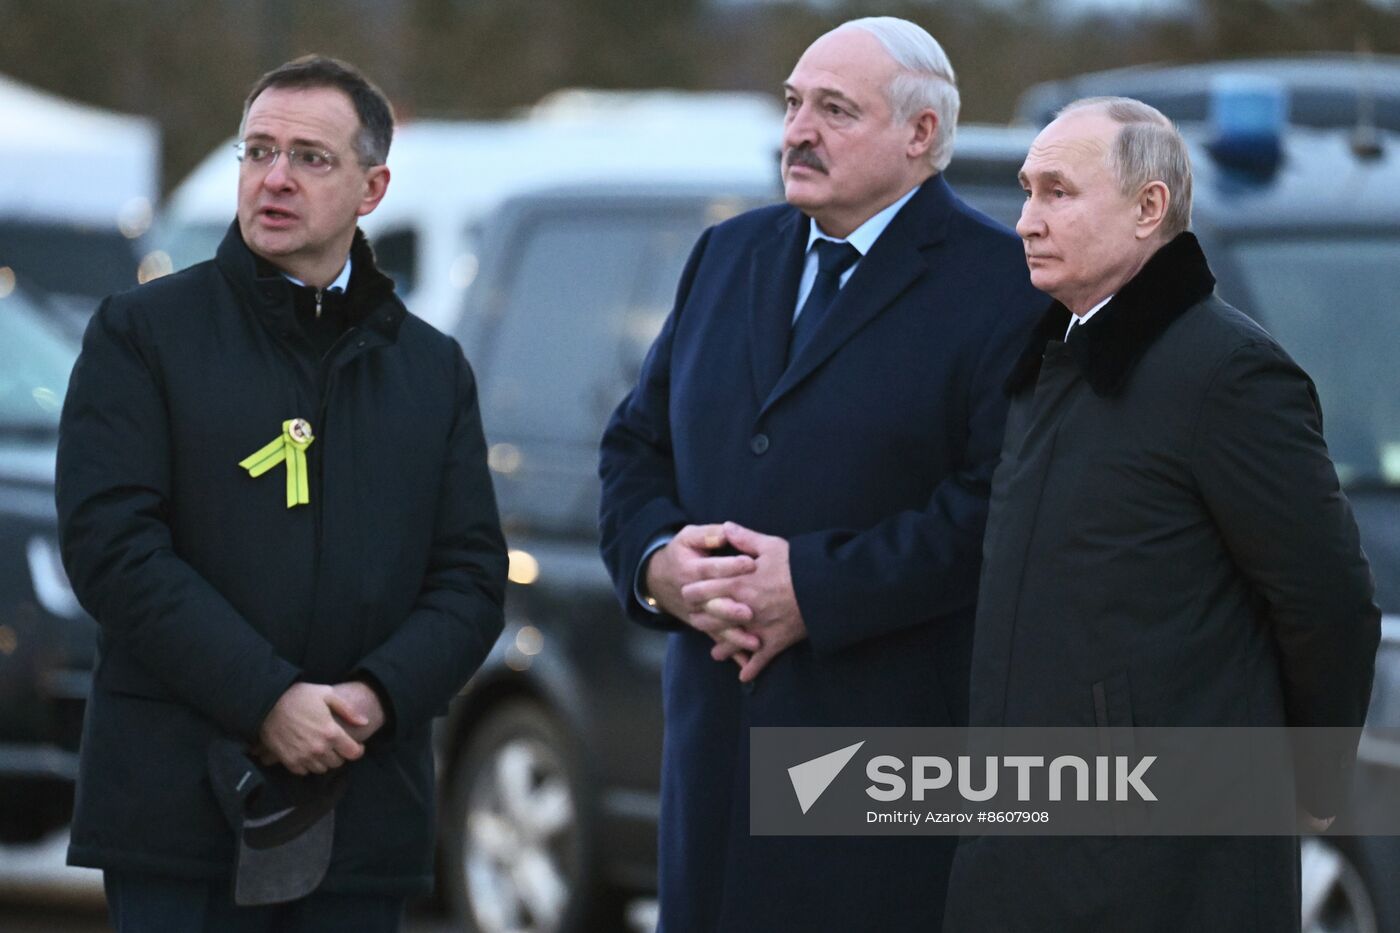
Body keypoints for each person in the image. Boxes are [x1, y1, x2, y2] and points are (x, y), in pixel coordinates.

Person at [597, 17, 1044, 932]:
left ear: (921, 135)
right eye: (794, 103)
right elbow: (635, 447)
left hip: (880, 773)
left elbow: (999, 505)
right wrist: (655, 564)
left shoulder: (1003, 284)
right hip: (712, 765)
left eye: (835, 110)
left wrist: (813, 587)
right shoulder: (729, 255)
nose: (798, 130)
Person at [56, 56, 507, 931]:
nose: (273, 177)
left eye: (310, 158)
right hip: (178, 814)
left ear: (372, 188)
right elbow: (113, 546)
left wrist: (371, 697)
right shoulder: (143, 335)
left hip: (362, 810)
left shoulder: (430, 370)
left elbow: (470, 577)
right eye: (257, 150)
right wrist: (266, 696)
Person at [942, 97, 1380, 931]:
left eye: (1059, 193)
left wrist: (1312, 787)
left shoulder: (1229, 373)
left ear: (1149, 208)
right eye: (1027, 192)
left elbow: (1327, 600)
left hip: (1160, 869)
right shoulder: (1050, 363)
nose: (1027, 220)